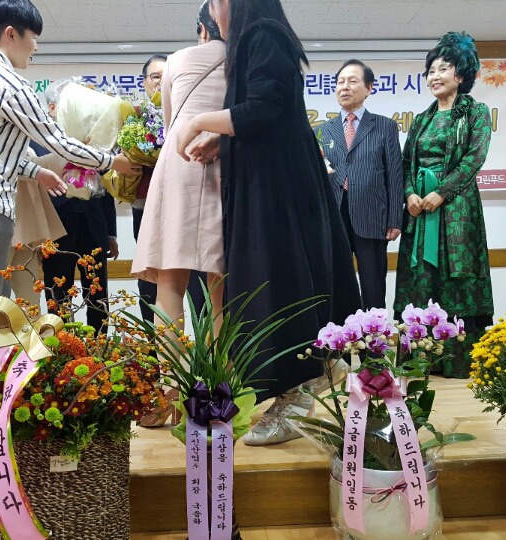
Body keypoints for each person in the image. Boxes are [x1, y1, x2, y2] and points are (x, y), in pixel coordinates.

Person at [176, 0, 361, 446]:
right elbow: (262, 118)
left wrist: (199, 121)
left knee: (280, 287)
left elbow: (264, 108)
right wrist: (221, 140)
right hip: (271, 188)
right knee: (271, 286)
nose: (213, 12)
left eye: (217, 1)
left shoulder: (263, 35)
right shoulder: (257, 40)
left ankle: (299, 391)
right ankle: (310, 377)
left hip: (280, 194)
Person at [0, 0, 140, 373]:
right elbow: (58, 141)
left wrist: (34, 171)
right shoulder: (5, 80)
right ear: (11, 34)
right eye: (33, 37)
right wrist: (111, 161)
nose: (35, 47)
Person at [132, 0, 226, 427]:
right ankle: (219, 393)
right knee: (220, 287)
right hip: (222, 167)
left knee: (169, 283)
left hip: (179, 162)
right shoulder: (242, 60)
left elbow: (171, 121)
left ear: (201, 29)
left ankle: (168, 396)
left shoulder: (177, 61)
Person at [393, 32, 494, 378]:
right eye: (431, 71)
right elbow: (406, 162)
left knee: (454, 277)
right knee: (421, 276)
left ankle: (457, 361)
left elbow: (475, 158)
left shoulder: (476, 112)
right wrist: (409, 194)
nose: (434, 76)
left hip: (456, 210)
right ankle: (419, 360)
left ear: (461, 75)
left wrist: (443, 192)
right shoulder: (422, 118)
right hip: (420, 211)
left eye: (443, 69)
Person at [315, 59, 403, 311]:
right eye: (340, 82)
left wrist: (395, 219)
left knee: (373, 288)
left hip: (372, 217)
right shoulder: (322, 131)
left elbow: (394, 175)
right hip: (334, 217)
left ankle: (375, 336)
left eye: (352, 81)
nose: (344, 87)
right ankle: (338, 335)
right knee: (336, 286)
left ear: (369, 88)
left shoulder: (385, 126)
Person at [34, 80, 120, 332]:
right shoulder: (39, 141)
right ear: (53, 108)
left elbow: (106, 187)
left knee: (98, 294)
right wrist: (38, 236)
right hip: (56, 229)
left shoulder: (94, 139)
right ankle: (62, 348)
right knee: (58, 293)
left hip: (94, 226)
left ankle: (98, 347)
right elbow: (35, 195)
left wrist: (111, 233)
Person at [132, 54, 168, 322]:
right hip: (144, 206)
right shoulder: (134, 118)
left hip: (182, 207)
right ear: (144, 82)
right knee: (148, 273)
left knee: (191, 277)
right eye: (156, 77)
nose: (160, 82)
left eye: (166, 77)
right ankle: (150, 342)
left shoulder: (186, 113)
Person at [9, 146, 67, 305]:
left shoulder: (26, 148)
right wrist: (73, 153)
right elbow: (21, 166)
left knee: (30, 299)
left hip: (26, 236)